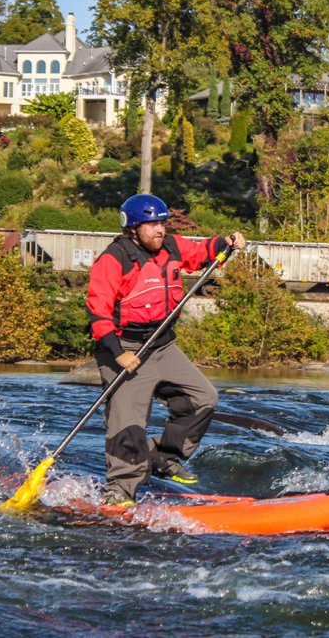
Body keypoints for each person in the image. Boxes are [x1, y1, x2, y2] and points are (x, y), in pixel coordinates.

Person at [86, 193, 247, 506]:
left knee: (203, 398)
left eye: (161, 222)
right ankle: (119, 491)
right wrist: (118, 353)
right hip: (125, 349)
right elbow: (98, 312)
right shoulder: (113, 259)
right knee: (128, 422)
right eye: (151, 225)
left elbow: (203, 252)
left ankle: (163, 457)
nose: (159, 230)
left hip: (162, 345)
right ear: (132, 228)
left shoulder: (171, 246)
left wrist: (227, 242)